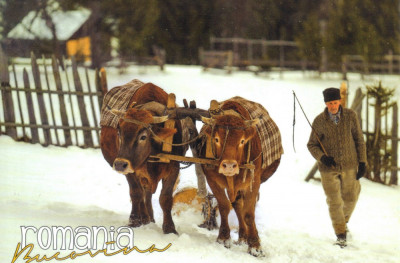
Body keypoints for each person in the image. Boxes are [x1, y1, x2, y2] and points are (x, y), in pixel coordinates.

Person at [307, 87, 367, 248]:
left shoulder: (350, 116)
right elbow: (311, 145)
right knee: (334, 201)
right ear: (325, 103)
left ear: (339, 101)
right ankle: (340, 234)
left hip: (349, 164)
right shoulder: (319, 121)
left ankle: (343, 221)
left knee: (351, 197)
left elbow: (359, 140)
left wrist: (362, 162)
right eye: (329, 103)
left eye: (335, 103)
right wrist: (322, 158)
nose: (333, 106)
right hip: (328, 169)